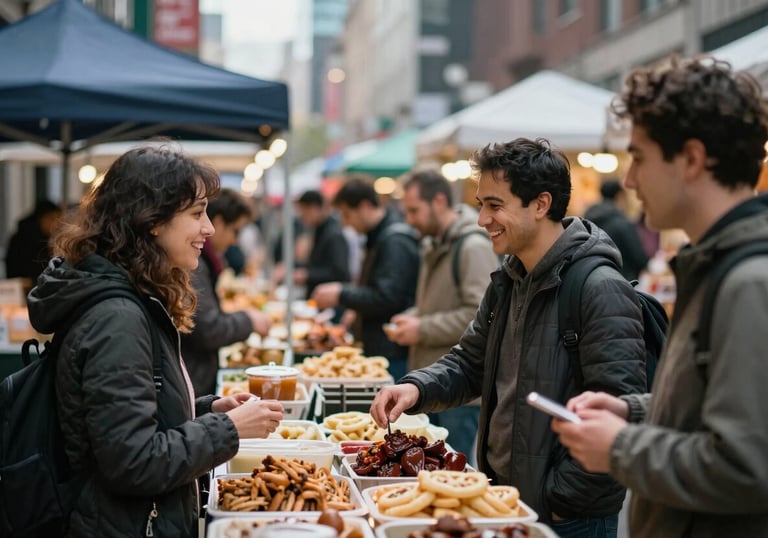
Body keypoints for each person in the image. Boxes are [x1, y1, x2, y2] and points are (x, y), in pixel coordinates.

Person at [369, 137, 647, 536]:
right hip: (506, 502)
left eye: (494, 205)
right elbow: (470, 361)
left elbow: (618, 413)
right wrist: (415, 388)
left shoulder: (598, 287)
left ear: (541, 204)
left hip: (566, 518)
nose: (482, 219)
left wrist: (557, 497)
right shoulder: (509, 280)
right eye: (481, 203)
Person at [552, 56, 768, 538]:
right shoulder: (716, 264)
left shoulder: (748, 280)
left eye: (640, 157)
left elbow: (748, 465)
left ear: (691, 159)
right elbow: (716, 402)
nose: (629, 181)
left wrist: (621, 445)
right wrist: (634, 411)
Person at [26, 146, 285, 536]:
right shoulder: (117, 318)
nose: (209, 229)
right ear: (152, 222)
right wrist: (227, 428)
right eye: (197, 214)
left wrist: (208, 409)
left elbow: (133, 417)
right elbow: (133, 461)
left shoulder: (130, 299)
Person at [384, 169, 499, 459]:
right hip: (432, 383)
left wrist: (421, 328)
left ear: (438, 201)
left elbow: (481, 315)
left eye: (414, 211)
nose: (409, 220)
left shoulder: (472, 246)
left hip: (460, 391)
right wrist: (411, 317)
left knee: (453, 473)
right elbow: (434, 305)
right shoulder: (433, 243)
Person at [312, 177, 420, 381]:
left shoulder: (394, 240)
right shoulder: (380, 236)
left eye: (346, 214)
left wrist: (341, 294)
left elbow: (387, 296)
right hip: (384, 346)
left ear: (364, 206)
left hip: (392, 351)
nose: (344, 223)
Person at [181, 188, 272, 395]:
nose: (235, 241)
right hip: (196, 382)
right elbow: (205, 328)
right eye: (236, 231)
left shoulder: (203, 263)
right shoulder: (193, 266)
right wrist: (248, 320)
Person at [273, 189, 351, 302]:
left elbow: (340, 273)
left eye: (303, 212)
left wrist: (306, 275)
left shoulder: (333, 234)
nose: (302, 217)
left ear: (314, 208)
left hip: (330, 301)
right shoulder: (319, 230)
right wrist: (291, 265)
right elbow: (315, 263)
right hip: (319, 297)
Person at [584, 179, 648, 281]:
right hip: (624, 283)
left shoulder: (587, 221)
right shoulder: (623, 224)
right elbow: (640, 259)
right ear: (619, 196)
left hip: (593, 283)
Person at [5, 198, 62, 282]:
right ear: (42, 218)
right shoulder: (28, 239)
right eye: (52, 219)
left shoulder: (43, 238)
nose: (56, 224)